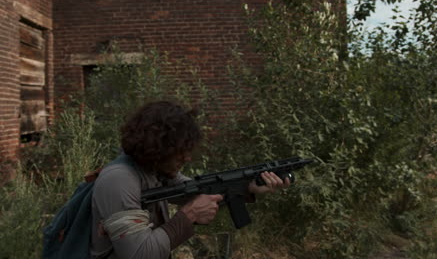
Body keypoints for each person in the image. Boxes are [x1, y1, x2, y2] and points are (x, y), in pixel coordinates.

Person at [90, 101, 290, 259]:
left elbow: (199, 192)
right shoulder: (119, 180)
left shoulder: (154, 170)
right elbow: (140, 254)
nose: (187, 158)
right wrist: (189, 214)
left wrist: (248, 187)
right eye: (179, 152)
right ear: (158, 148)